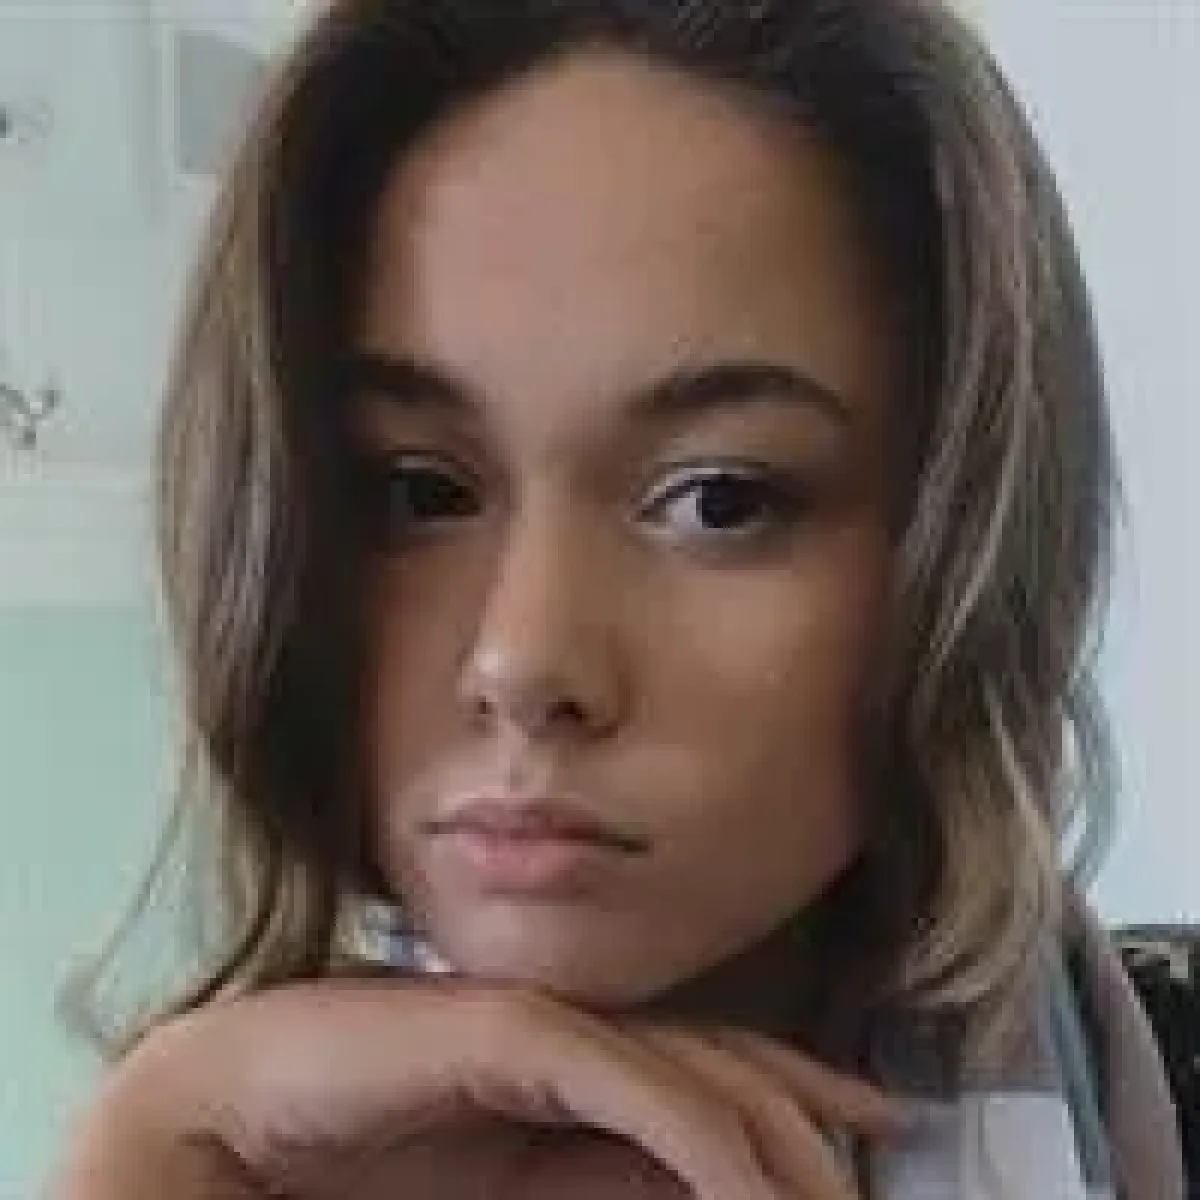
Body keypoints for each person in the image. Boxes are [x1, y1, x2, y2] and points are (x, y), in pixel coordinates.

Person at [50, 0, 1186, 1196]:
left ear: (960, 548)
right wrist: (145, 1153)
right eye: (417, 493)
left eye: (719, 501)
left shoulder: (1091, 1056)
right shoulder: (211, 1153)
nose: (524, 661)